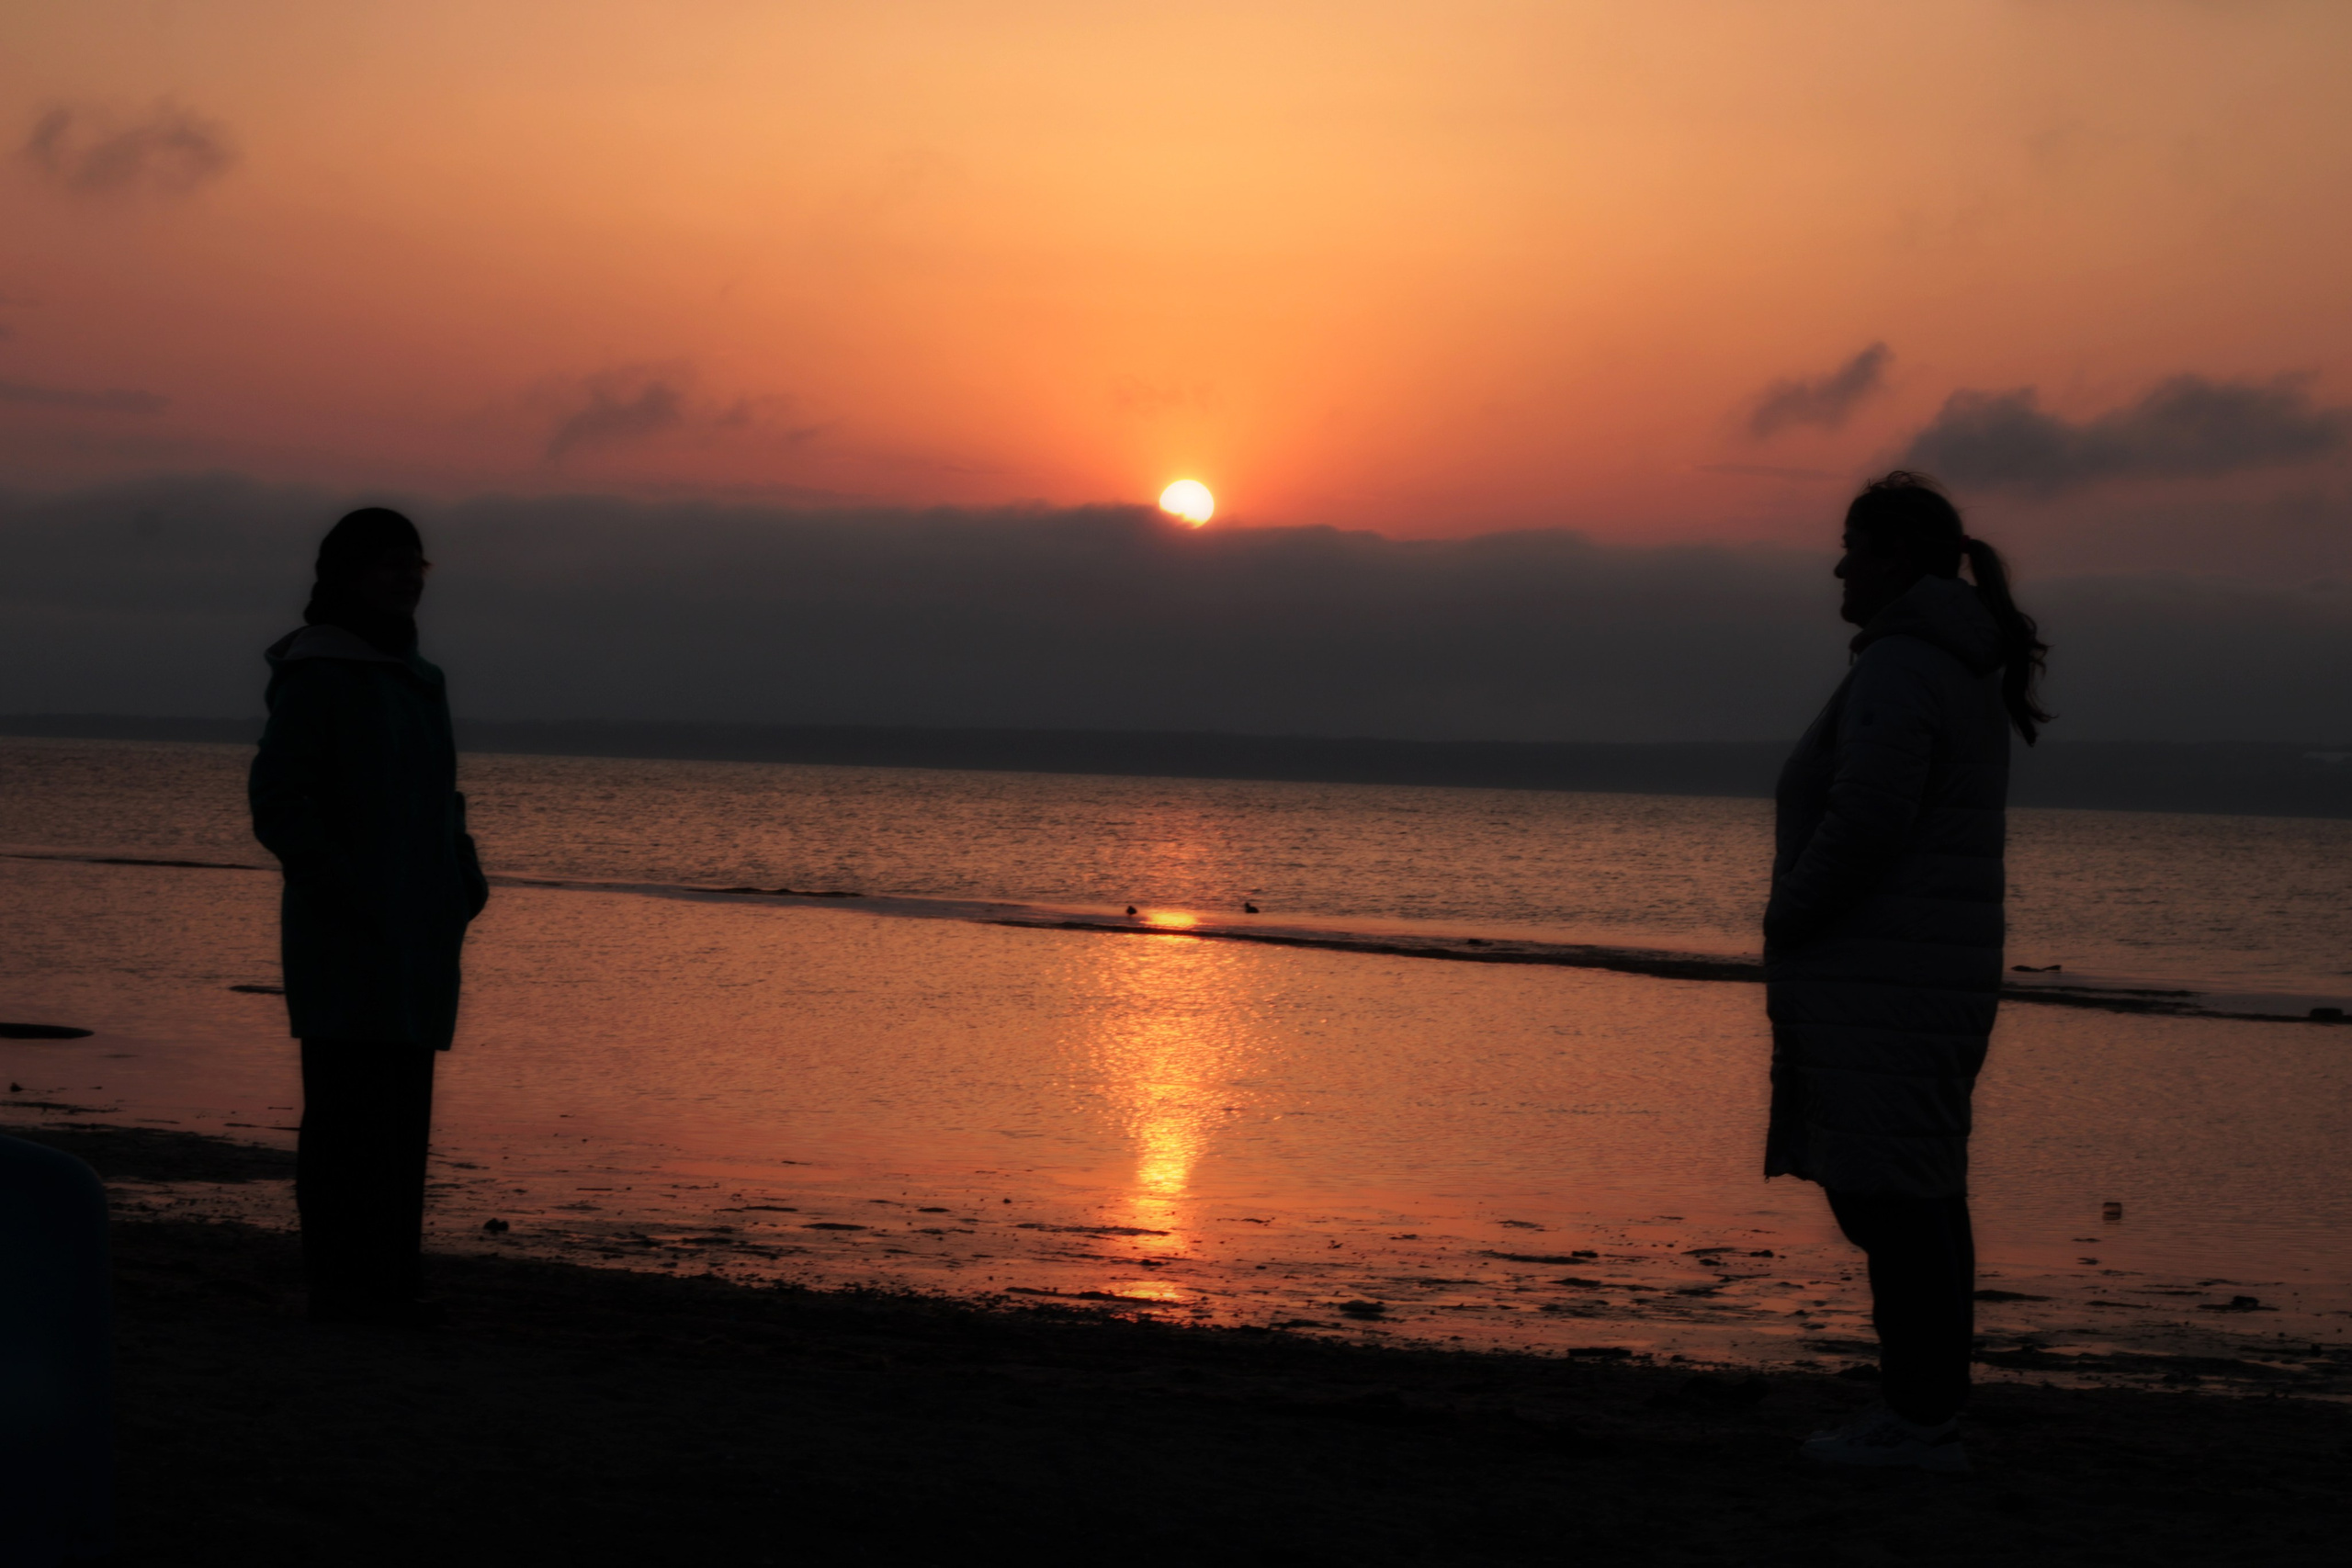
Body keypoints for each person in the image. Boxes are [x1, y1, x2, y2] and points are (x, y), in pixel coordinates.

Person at [1763, 471, 2050, 1474]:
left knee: (1890, 1194)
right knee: (1914, 1185)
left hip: (1886, 973)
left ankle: (1919, 1417)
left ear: (1897, 561)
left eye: (1855, 546)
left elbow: (1869, 818)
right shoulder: (1946, 662)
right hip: (1917, 970)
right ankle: (1925, 1408)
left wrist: (1789, 914)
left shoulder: (1905, 665)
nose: (1839, 566)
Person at [249, 508, 490, 1326]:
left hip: (419, 933)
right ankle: (341, 1285)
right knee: (347, 1114)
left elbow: (443, 794)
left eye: (415, 562)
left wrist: (462, 875)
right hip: (346, 937)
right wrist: (340, 885)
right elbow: (278, 798)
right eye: (388, 563)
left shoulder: (421, 678)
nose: (407, 576)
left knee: (402, 1113)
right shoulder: (319, 673)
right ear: (348, 575)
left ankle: (391, 1280)